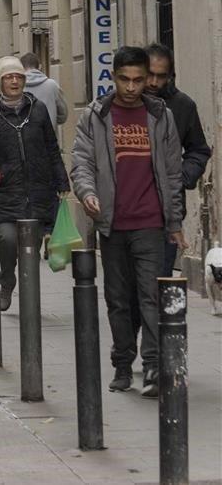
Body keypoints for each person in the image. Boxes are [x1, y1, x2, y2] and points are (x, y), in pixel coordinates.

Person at [71, 46, 184, 397]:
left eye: (138, 80)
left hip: (151, 222)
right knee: (118, 299)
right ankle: (122, 363)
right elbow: (82, 162)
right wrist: (88, 194)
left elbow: (173, 171)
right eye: (125, 79)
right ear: (114, 76)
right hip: (113, 223)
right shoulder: (96, 115)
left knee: (151, 295)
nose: (133, 87)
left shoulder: (160, 115)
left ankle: (152, 367)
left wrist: (175, 221)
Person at [0, 56, 69, 311]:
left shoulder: (38, 109)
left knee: (30, 246)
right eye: (9, 77)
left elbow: (52, 148)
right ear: (0, 81)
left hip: (38, 191)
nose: (14, 81)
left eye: (18, 77)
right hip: (7, 191)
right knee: (7, 239)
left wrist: (62, 180)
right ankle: (7, 279)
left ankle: (30, 302)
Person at [144, 43, 212, 277]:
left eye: (161, 76)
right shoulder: (126, 103)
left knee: (160, 281)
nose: (153, 82)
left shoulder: (182, 106)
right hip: (128, 210)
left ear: (170, 77)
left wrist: (181, 178)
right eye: (149, 74)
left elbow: (199, 150)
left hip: (166, 210)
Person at [20, 52, 68, 134]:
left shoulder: (17, 87)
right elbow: (63, 115)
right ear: (40, 66)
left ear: (21, 68)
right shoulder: (52, 85)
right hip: (49, 140)